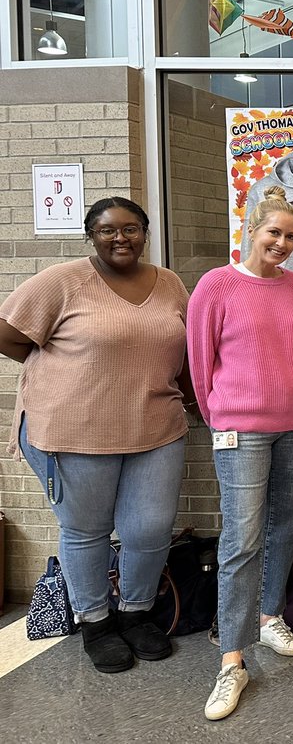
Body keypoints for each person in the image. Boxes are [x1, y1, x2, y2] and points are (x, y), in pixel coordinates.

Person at [0, 198, 189, 673]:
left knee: (148, 529)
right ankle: (96, 622)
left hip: (156, 425)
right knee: (86, 532)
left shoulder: (169, 283)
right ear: (91, 236)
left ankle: (137, 613)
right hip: (75, 429)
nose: (120, 238)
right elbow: (8, 333)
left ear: (145, 233)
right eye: (107, 231)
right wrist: (58, 369)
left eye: (130, 229)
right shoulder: (62, 282)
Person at [188, 186, 293, 721]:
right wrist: (220, 414)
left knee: (287, 523)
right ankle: (231, 661)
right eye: (274, 233)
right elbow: (200, 365)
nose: (283, 243)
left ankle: (269, 618)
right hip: (239, 428)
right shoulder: (216, 285)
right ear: (250, 229)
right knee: (241, 540)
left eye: (291, 236)